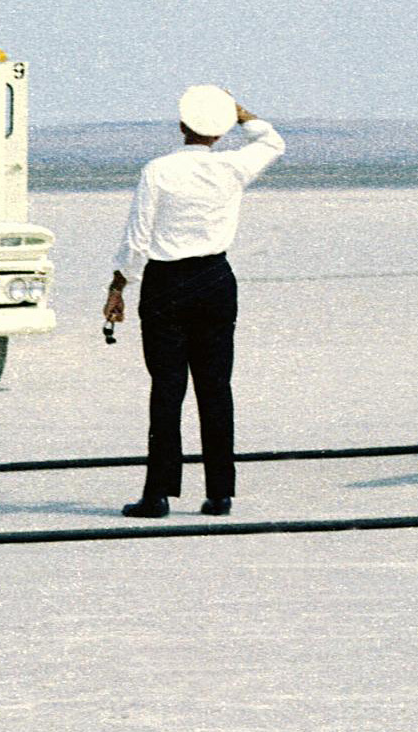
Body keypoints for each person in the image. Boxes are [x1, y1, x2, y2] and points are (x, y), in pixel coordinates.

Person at [105, 86, 286, 518]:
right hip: (216, 281)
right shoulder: (233, 167)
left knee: (167, 392)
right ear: (220, 131)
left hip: (167, 283)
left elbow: (138, 237)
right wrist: (243, 115)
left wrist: (118, 286)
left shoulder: (158, 170)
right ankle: (219, 493)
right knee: (215, 388)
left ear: (183, 126)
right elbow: (273, 142)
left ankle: (159, 494)